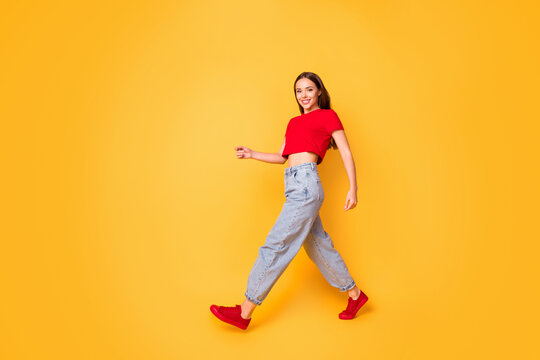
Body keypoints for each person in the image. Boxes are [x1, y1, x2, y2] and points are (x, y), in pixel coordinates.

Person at [210, 72, 368, 330]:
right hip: (293, 184)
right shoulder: (293, 122)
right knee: (319, 246)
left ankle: (245, 312)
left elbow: (347, 151)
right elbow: (283, 157)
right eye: (298, 91)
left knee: (276, 244)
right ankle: (355, 295)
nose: (304, 95)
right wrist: (252, 154)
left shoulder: (328, 116)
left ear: (319, 91)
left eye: (308, 89)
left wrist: (354, 187)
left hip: (307, 185)